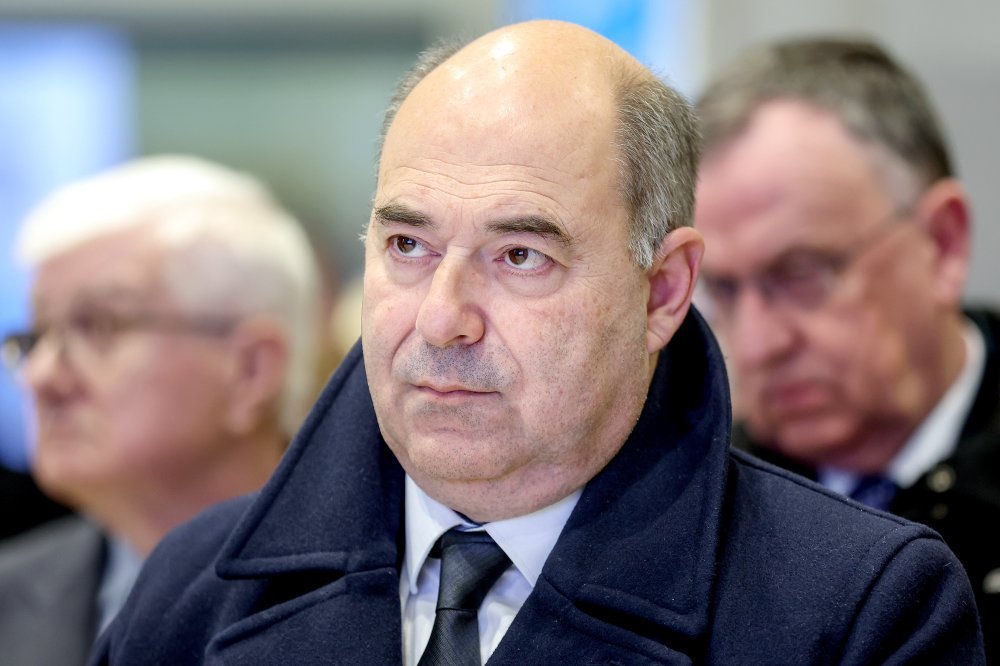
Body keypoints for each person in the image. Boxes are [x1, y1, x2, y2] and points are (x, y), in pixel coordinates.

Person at [94, 21, 985, 665]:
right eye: (407, 246)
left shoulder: (857, 610)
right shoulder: (192, 590)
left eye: (520, 256)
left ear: (662, 291)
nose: (441, 318)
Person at [693, 36, 1000, 660]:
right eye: (724, 289)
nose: (758, 343)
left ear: (942, 244)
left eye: (802, 273)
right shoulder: (693, 502)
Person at [0, 155, 321, 666]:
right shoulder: (10, 596)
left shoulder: (386, 595)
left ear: (250, 371)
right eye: (36, 336)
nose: (40, 376)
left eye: (100, 326)